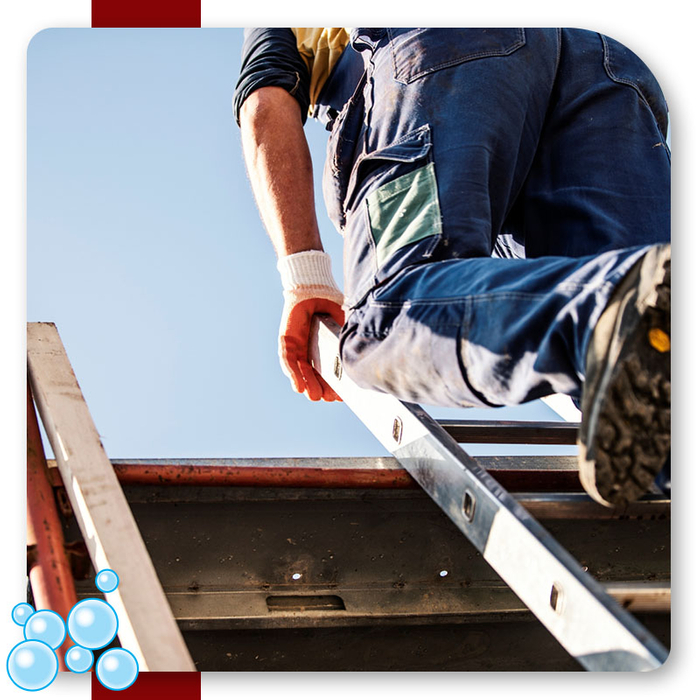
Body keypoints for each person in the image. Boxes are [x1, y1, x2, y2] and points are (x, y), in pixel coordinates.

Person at [234, 28, 671, 508]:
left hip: (443, 50)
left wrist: (304, 275)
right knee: (656, 409)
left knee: (393, 314)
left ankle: (595, 314)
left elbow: (265, 101)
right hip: (601, 67)